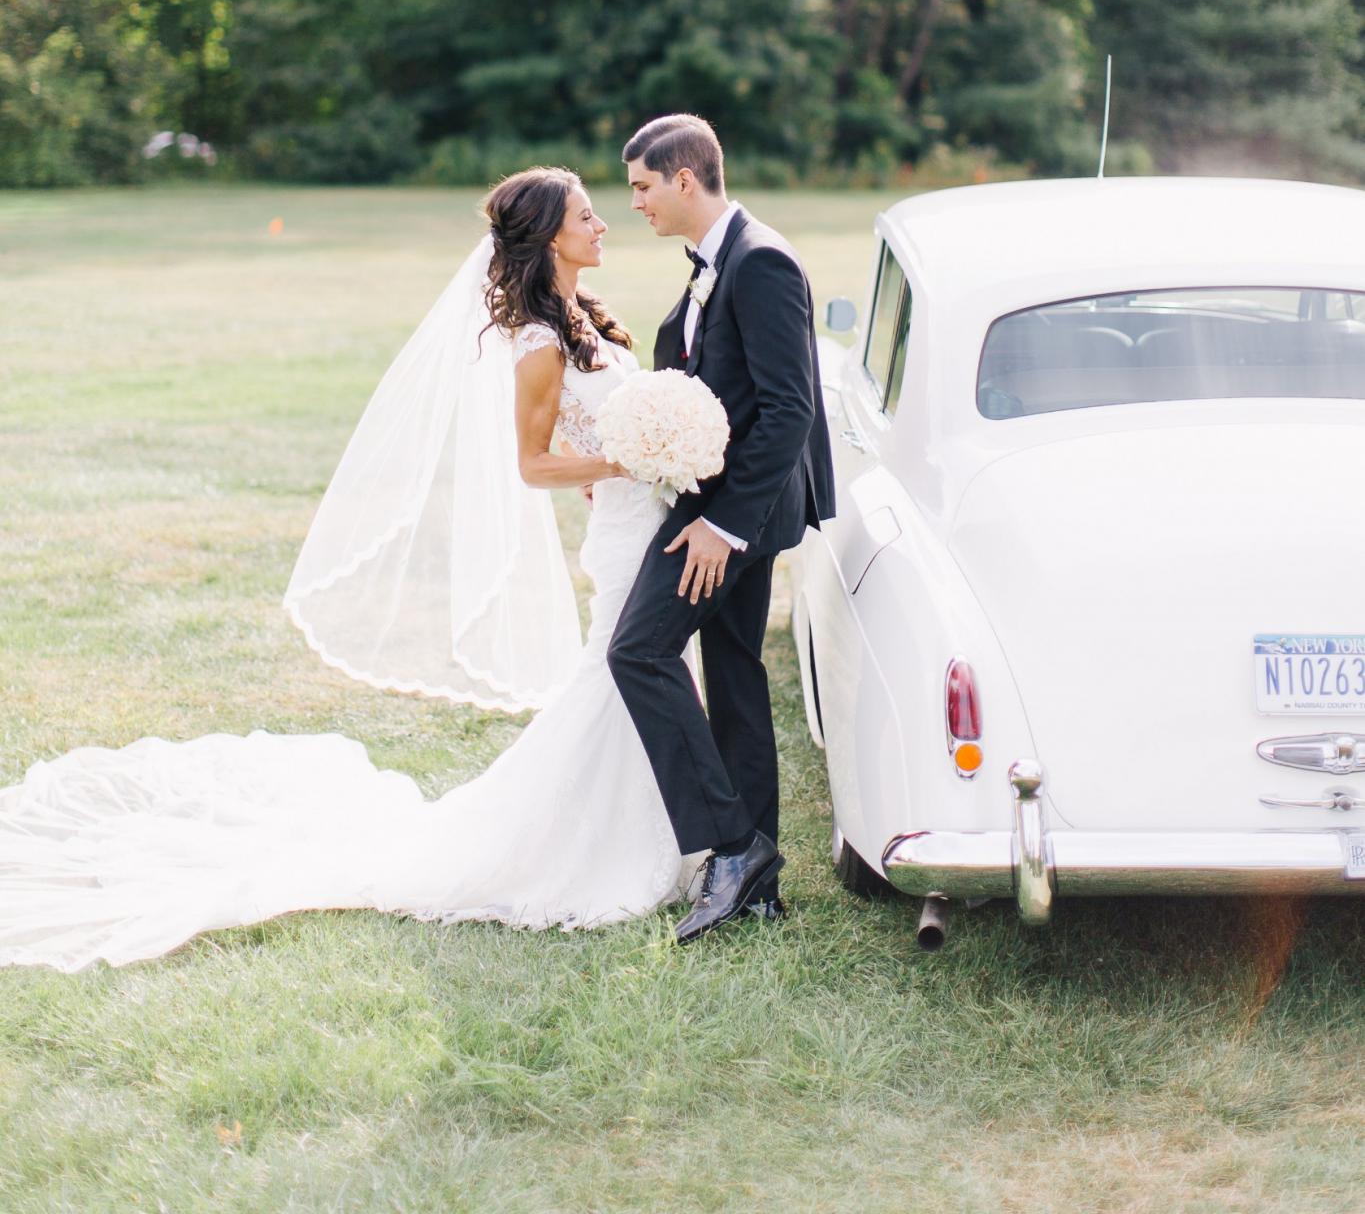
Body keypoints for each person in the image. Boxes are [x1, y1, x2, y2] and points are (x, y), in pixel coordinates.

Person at [0, 168, 697, 971]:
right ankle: (581, 850)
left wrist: (641, 458)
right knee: (615, 680)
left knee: (645, 674)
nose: (603, 224)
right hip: (625, 530)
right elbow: (534, 466)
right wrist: (627, 464)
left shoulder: (584, 320)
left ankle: (668, 833)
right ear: (546, 237)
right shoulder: (538, 343)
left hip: (636, 522)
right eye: (586, 215)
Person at [610, 115, 835, 942]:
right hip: (716, 505)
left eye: (640, 186)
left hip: (737, 516)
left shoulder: (761, 259)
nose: (633, 203)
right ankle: (760, 884)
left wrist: (724, 528)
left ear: (682, 177)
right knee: (734, 673)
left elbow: (789, 409)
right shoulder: (716, 259)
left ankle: (734, 847)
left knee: (637, 650)